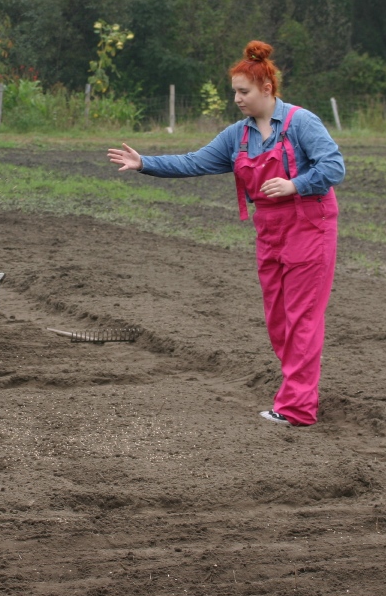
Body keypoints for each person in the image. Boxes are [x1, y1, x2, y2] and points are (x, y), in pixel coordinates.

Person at [107, 40, 344, 426]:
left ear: (267, 88)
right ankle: (299, 391)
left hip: (309, 226)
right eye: (234, 91)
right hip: (270, 231)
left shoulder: (301, 123)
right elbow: (194, 162)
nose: (236, 99)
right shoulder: (238, 136)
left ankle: (297, 407)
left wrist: (294, 184)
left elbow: (334, 167)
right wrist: (144, 163)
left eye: (243, 92)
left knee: (302, 317)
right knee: (278, 321)